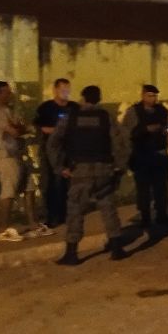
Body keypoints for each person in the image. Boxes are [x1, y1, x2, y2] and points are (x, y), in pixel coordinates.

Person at [47, 85, 130, 265]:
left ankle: (72, 253)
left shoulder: (70, 117)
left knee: (75, 210)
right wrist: (119, 167)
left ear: (83, 99)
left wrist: (59, 167)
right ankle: (117, 248)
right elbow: (120, 142)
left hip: (80, 170)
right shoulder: (106, 117)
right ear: (99, 99)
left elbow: (53, 142)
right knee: (108, 208)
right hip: (104, 170)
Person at [0, 80, 44, 241]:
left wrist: (20, 127)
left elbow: (19, 126)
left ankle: (33, 224)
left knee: (29, 188)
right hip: (6, 156)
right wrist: (22, 128)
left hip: (19, 154)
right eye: (6, 92)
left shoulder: (8, 110)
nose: (10, 94)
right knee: (8, 192)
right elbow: (15, 131)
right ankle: (3, 229)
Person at [122, 84, 168, 234]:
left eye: (155, 96)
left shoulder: (162, 110)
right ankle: (145, 217)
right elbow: (126, 132)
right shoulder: (133, 111)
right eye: (150, 96)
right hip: (141, 154)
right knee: (143, 189)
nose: (153, 99)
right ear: (143, 96)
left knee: (161, 188)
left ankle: (162, 215)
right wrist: (145, 129)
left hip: (159, 154)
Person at [33, 78, 77, 233]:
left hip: (70, 151)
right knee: (51, 183)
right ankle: (51, 216)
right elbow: (39, 128)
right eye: (63, 90)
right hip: (50, 151)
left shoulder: (74, 107)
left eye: (68, 90)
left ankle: (66, 214)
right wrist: (58, 131)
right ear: (55, 90)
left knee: (68, 184)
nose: (66, 93)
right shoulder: (46, 108)